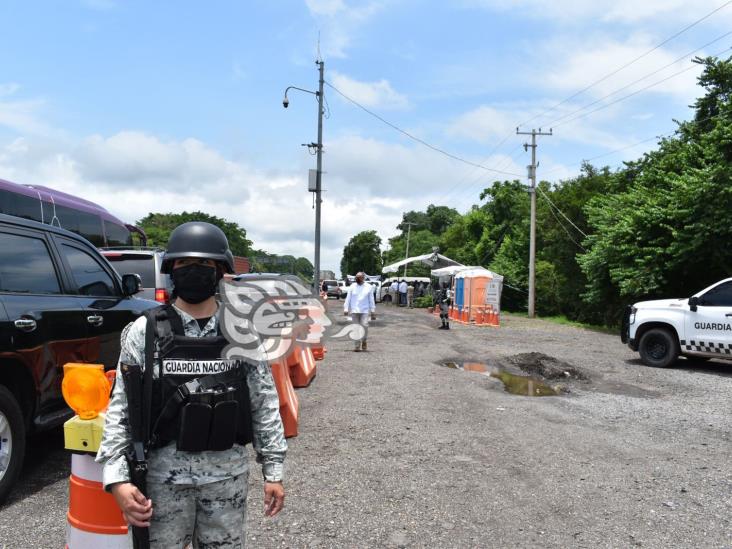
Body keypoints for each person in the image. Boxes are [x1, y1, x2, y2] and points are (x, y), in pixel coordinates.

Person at [96, 222, 286, 548]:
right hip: (162, 480)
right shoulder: (144, 331)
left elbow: (263, 401)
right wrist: (117, 479)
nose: (194, 272)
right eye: (184, 264)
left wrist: (274, 470)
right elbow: (122, 409)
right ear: (171, 269)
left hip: (226, 478)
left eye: (204, 265)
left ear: (220, 271)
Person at [343, 271, 376, 351]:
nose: (357, 278)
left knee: (364, 326)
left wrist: (373, 311)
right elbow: (348, 298)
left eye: (359, 277)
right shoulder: (352, 286)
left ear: (363, 278)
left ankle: (364, 340)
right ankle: (357, 346)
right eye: (356, 277)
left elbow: (371, 299)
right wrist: (346, 308)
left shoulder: (368, 287)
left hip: (365, 310)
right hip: (354, 310)